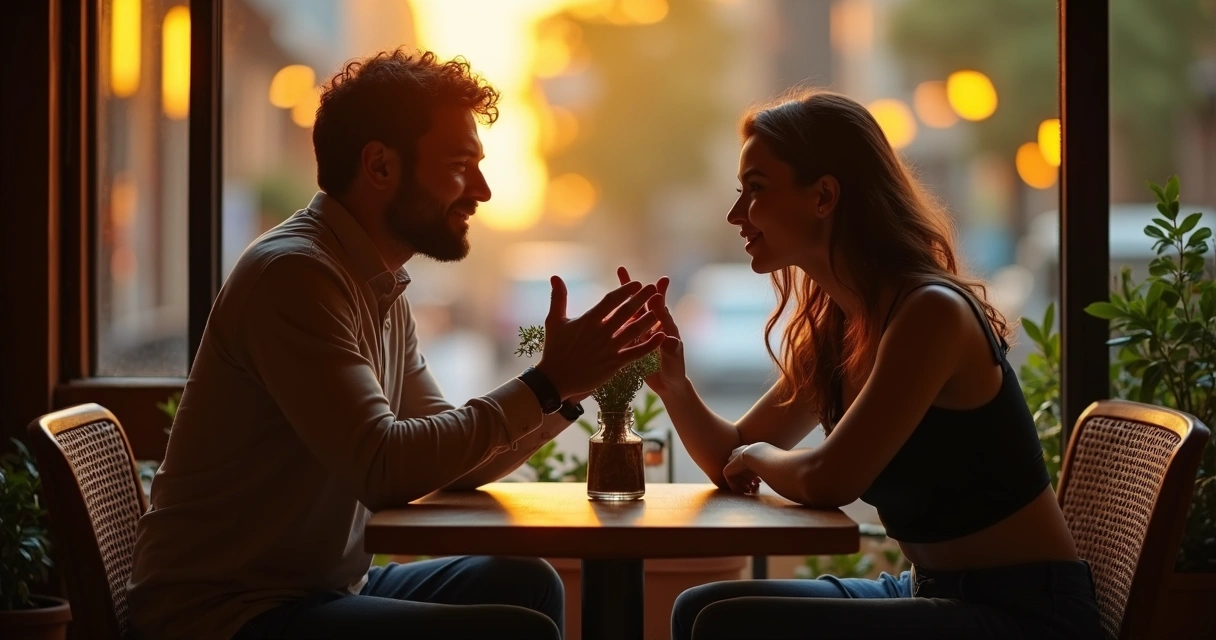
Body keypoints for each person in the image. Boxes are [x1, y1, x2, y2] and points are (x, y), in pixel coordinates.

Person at [127, 48, 666, 640]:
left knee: (528, 583)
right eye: (461, 164)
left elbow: (453, 464)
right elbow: (384, 466)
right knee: (515, 628)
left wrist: (567, 389)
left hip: (318, 592)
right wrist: (545, 382)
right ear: (380, 166)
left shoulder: (378, 283)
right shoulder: (295, 275)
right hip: (225, 614)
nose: (482, 191)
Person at [632, 89, 1103, 639]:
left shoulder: (930, 313)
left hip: (1024, 615)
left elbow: (828, 477)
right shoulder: (841, 325)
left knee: (725, 622)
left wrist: (758, 456)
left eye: (755, 191)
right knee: (700, 608)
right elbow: (730, 455)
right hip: (931, 591)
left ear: (824, 196)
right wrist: (676, 388)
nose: (737, 215)